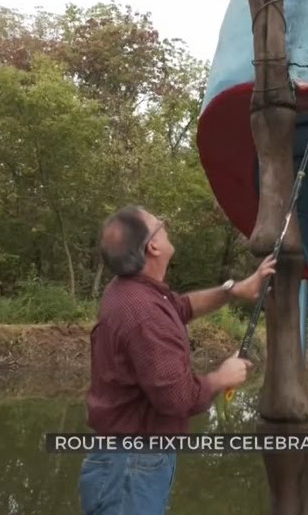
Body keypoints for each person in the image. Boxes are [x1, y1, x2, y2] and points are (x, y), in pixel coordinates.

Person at [79, 204, 277, 514]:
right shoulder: (145, 315)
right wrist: (221, 377)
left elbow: (180, 306)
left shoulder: (130, 290)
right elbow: (178, 398)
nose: (166, 224)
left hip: (125, 460)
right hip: (131, 467)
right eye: (161, 224)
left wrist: (233, 290)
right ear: (153, 246)